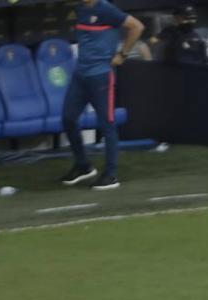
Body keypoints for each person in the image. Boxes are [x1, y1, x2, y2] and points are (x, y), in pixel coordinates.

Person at [58, 0, 144, 191]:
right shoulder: (79, 8)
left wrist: (122, 55)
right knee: (68, 118)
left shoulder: (106, 9)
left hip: (101, 77)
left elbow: (137, 26)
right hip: (80, 75)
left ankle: (111, 175)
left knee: (107, 124)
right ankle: (83, 166)